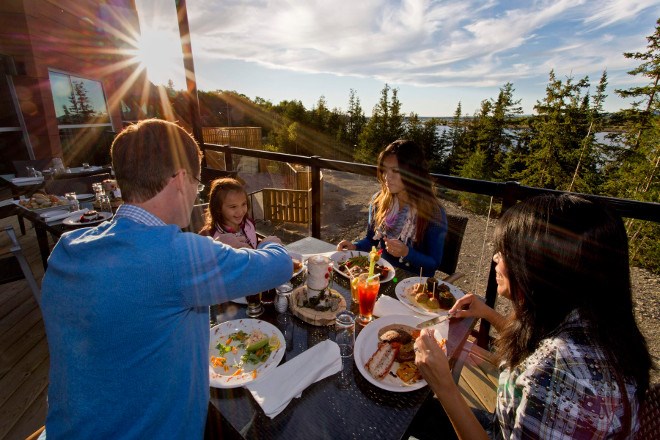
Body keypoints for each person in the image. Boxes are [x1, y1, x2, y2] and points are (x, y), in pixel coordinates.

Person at [40, 119, 293, 439]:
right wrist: (270, 243)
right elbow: (278, 266)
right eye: (198, 185)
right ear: (181, 180)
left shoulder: (66, 250)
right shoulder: (179, 255)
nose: (195, 194)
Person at [414, 194, 652, 439]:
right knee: (418, 413)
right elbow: (536, 350)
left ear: (541, 267)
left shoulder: (564, 378)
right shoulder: (589, 320)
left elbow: (546, 370)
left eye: (506, 252)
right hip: (503, 425)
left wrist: (444, 386)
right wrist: (486, 313)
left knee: (414, 412)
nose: (495, 258)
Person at [336, 139, 447, 277]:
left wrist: (407, 253)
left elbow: (434, 263)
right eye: (384, 170)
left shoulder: (433, 212)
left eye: (395, 171)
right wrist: (355, 246)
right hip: (385, 275)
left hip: (416, 285)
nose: (387, 177)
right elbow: (371, 240)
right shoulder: (379, 201)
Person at [199, 177, 280, 249]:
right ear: (218, 208)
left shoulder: (249, 223)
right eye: (233, 207)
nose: (240, 211)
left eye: (243, 204)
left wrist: (265, 243)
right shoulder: (208, 235)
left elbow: (253, 242)